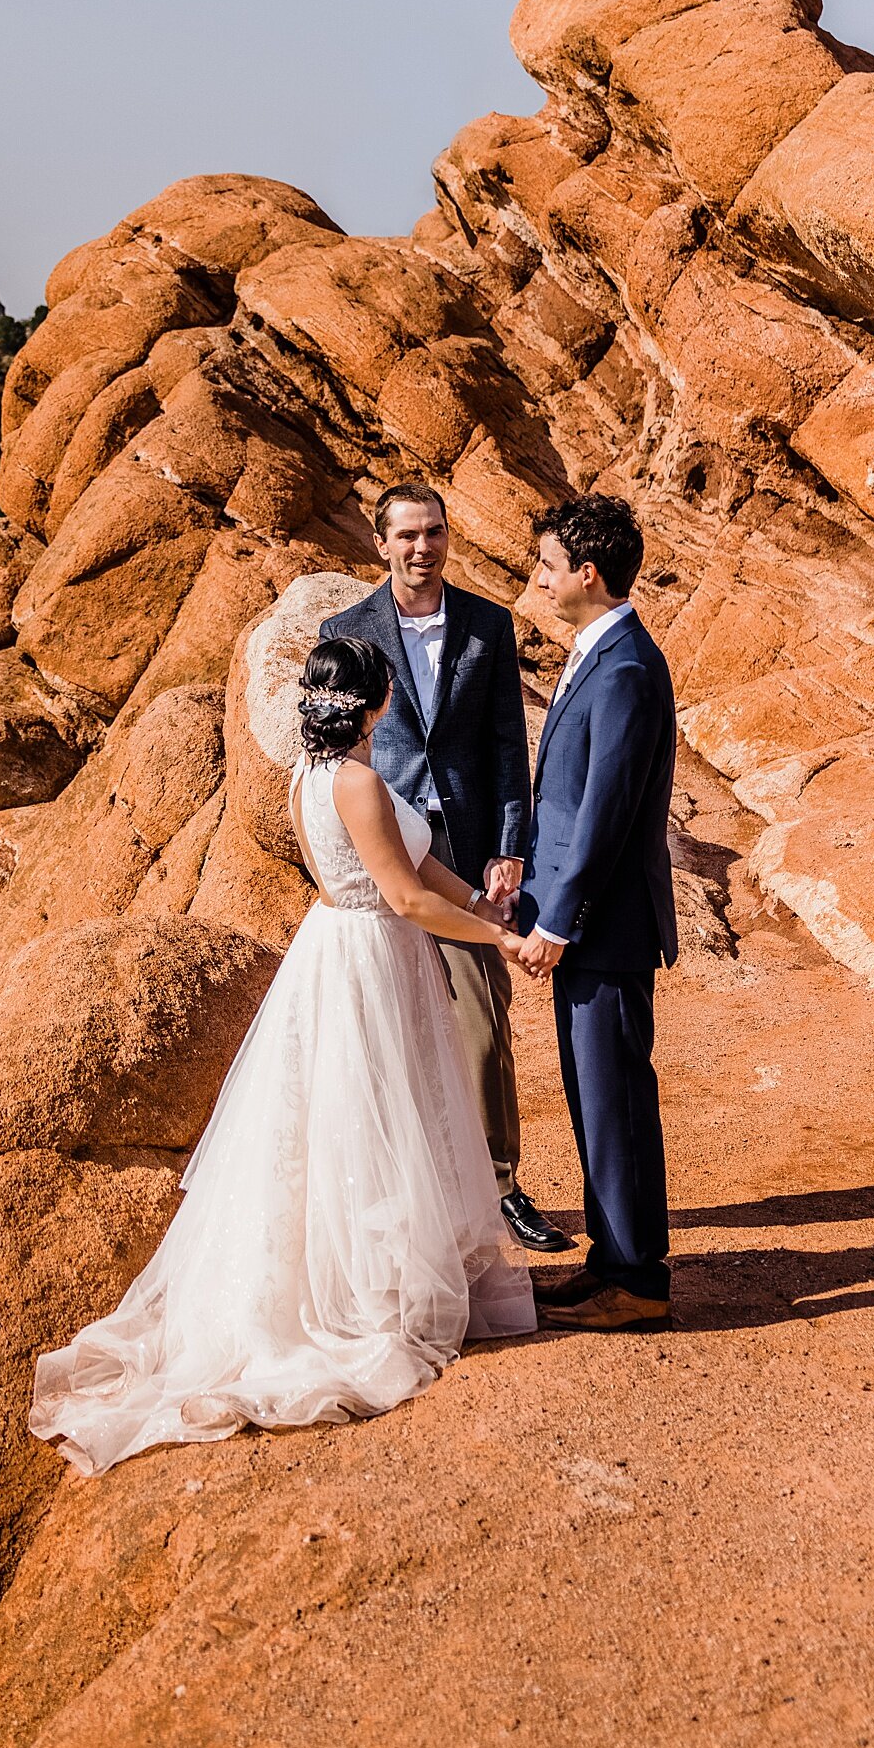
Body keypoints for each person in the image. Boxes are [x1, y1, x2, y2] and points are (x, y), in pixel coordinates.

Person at [29, 635, 535, 1475]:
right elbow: (403, 894)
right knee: (378, 1120)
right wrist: (500, 942)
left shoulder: (306, 777)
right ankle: (372, 1296)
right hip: (371, 953)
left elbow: (416, 866)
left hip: (339, 947)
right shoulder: (358, 780)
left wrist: (483, 902)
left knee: (351, 1120)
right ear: (376, 702)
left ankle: (381, 1273)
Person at [319, 481, 573, 1253]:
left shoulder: (488, 624)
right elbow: (334, 747)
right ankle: (400, 1197)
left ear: (447, 537)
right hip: (385, 844)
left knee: (482, 1024)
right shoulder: (345, 627)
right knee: (386, 1029)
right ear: (381, 542)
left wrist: (508, 847)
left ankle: (502, 1185)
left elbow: (505, 743)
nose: (420, 548)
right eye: (405, 535)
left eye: (433, 533)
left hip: (464, 846)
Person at [515, 495, 679, 1330]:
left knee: (614, 1097)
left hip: (604, 931)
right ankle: (610, 1260)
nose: (537, 580)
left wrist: (556, 922)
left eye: (546, 565)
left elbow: (604, 813)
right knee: (594, 1096)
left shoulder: (624, 670)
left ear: (588, 572)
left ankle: (639, 1281)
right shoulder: (600, 654)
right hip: (590, 925)